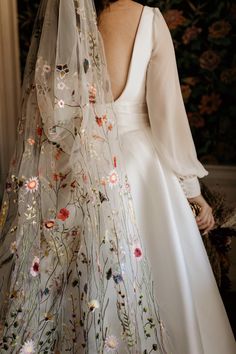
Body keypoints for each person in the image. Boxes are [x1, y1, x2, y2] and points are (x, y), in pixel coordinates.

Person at [0, 0, 235, 353]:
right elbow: (167, 114)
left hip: (83, 167)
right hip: (141, 166)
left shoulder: (73, 19)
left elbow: (57, 115)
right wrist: (191, 189)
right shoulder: (149, 20)